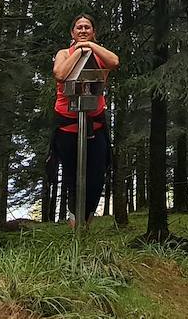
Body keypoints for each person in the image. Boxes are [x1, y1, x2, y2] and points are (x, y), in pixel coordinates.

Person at [50, 14, 119, 227]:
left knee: (97, 178)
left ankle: (85, 221)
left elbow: (114, 62)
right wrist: (79, 50)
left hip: (95, 125)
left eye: (87, 27)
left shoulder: (99, 53)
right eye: (78, 27)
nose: (82, 30)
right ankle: (74, 223)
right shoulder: (64, 53)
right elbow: (60, 74)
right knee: (72, 178)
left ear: (93, 31)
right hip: (67, 125)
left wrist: (90, 46)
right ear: (72, 32)